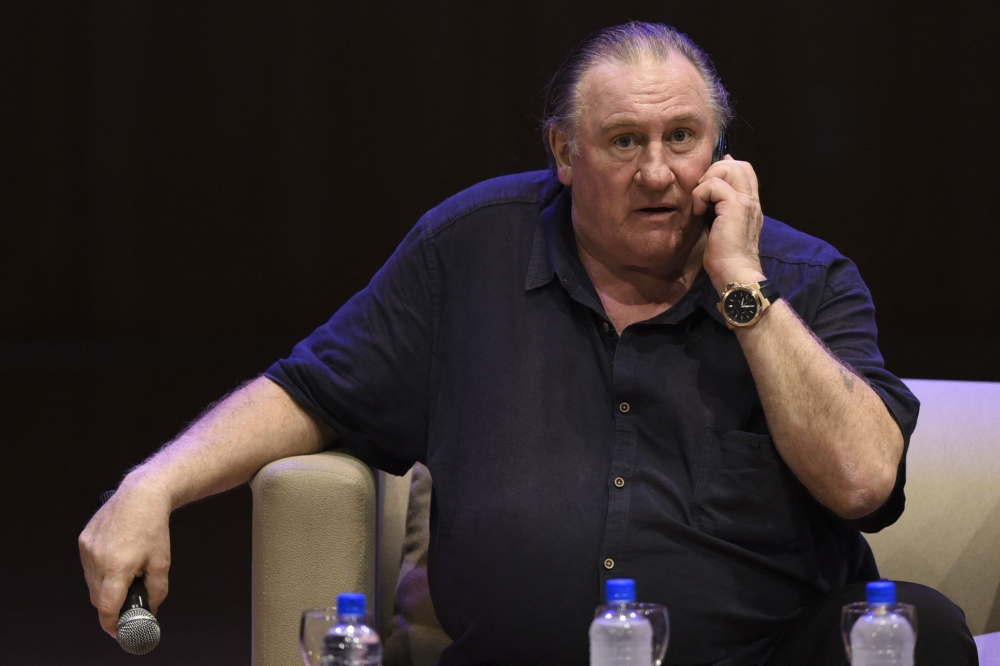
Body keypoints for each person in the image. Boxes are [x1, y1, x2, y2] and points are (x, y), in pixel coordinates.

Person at [79, 22, 977, 665]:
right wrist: (151, 485)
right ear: (563, 151)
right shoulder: (468, 250)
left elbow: (864, 482)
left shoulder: (806, 279)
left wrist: (742, 288)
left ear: (722, 149)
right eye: (623, 141)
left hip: (764, 654)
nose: (659, 172)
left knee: (927, 631)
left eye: (682, 138)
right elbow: (312, 388)